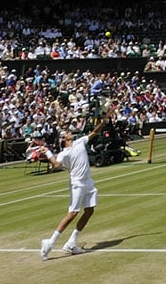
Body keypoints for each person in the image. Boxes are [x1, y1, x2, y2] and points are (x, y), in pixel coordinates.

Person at [39, 109, 113, 260]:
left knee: (89, 211)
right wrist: (47, 152)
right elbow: (56, 165)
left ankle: (71, 243)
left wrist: (103, 121)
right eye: (67, 132)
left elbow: (93, 133)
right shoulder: (63, 153)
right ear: (64, 139)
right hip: (77, 184)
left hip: (88, 182)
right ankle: (49, 243)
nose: (70, 132)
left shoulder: (79, 141)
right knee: (73, 213)